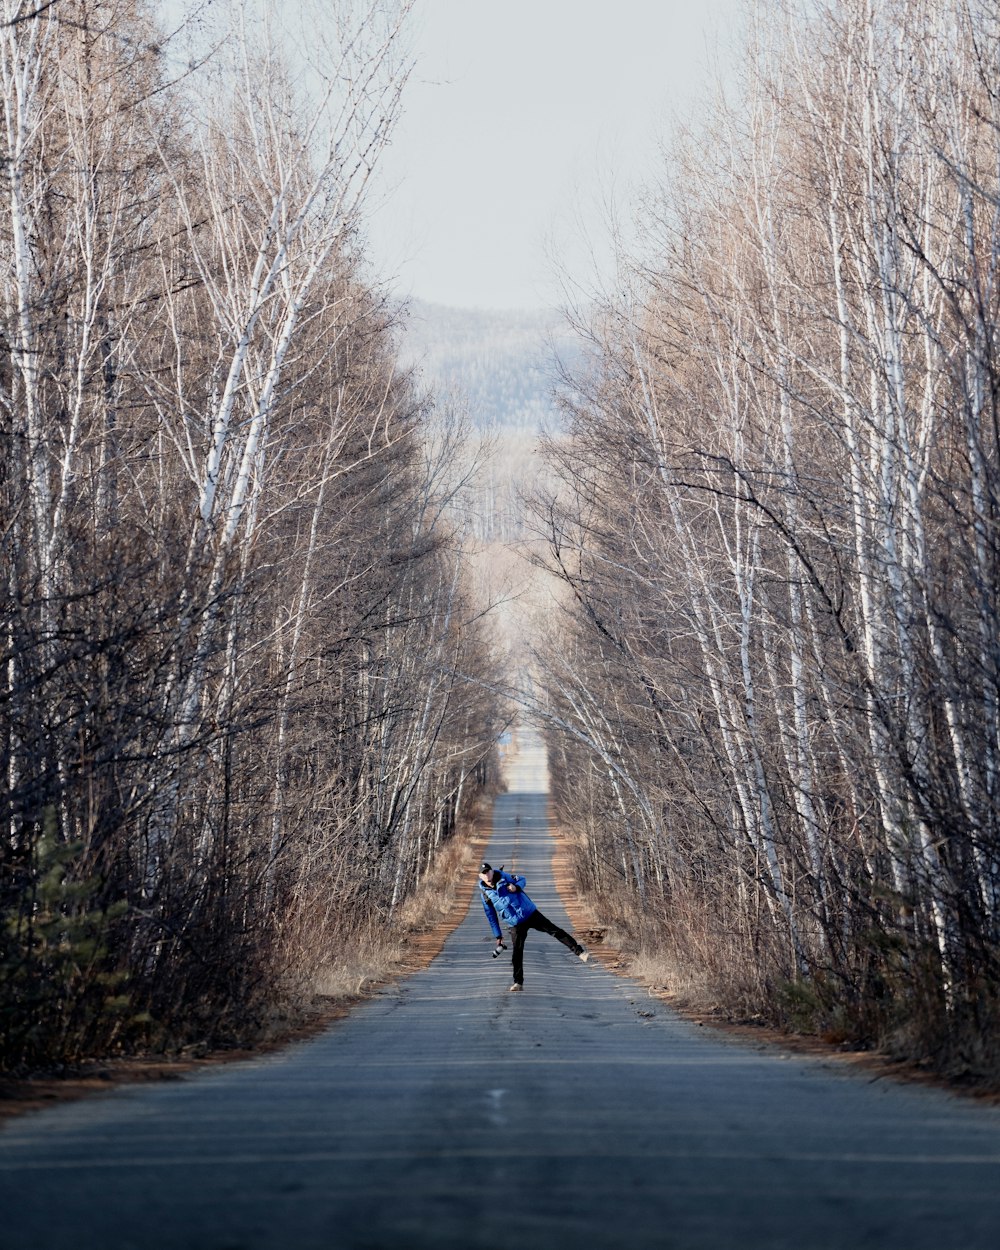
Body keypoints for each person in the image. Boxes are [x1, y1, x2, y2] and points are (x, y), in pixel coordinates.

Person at [478, 861, 588, 992]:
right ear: (480, 876)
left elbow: (522, 880)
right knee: (517, 953)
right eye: (484, 873)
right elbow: (491, 916)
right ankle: (518, 983)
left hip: (529, 913)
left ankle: (579, 952)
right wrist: (498, 935)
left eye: (488, 871)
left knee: (554, 930)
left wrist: (516, 887)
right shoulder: (485, 895)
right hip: (515, 923)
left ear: (492, 871)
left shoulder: (504, 877)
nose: (487, 874)